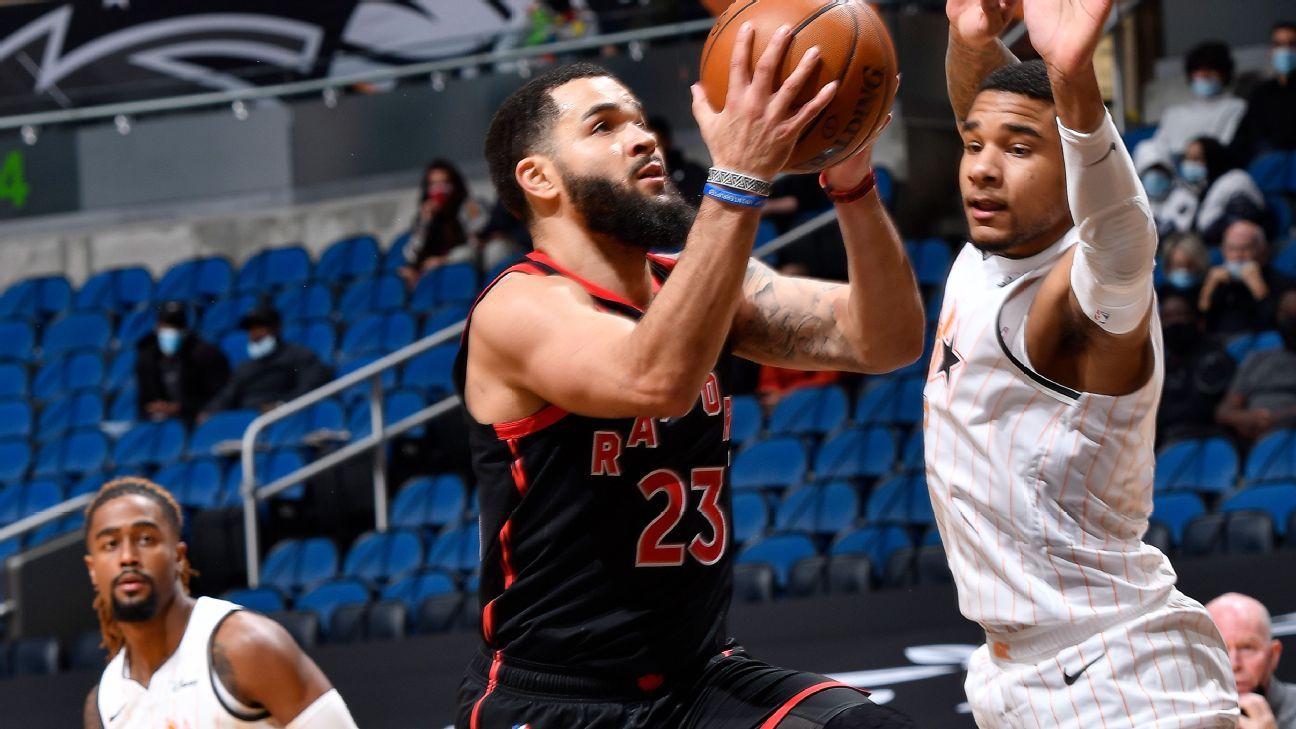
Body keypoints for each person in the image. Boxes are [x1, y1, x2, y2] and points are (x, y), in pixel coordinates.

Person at [455, 24, 924, 728]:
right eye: (604, 126)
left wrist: (851, 182)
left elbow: (886, 340)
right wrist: (737, 177)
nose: (644, 138)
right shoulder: (519, 306)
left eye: (642, 121)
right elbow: (657, 380)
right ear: (539, 176)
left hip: (698, 676)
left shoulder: (695, 287)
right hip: (557, 695)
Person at [932, 0, 1237, 726]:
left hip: (1122, 677)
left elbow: (1122, 230)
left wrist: (1075, 84)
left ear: (1070, 167)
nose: (980, 169)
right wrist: (970, 36)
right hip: (1015, 677)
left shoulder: (1081, 297)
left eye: (1016, 150)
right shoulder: (993, 247)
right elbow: (1000, 115)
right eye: (971, 145)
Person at [82, 477, 358, 728]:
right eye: (110, 544)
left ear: (179, 557)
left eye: (145, 539)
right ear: (93, 569)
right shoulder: (105, 704)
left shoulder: (248, 645)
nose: (128, 556)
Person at [201, 304, 333, 417]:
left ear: (277, 328)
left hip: (283, 419)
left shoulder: (299, 355)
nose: (255, 334)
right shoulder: (243, 367)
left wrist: (281, 405)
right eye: (251, 329)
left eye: (260, 328)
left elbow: (309, 387)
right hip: (247, 424)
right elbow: (225, 397)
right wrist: (209, 412)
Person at [1216, 287, 1296, 445]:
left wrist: (1276, 419)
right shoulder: (1256, 359)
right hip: (1250, 437)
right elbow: (1224, 411)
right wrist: (1246, 418)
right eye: (1286, 314)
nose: (1292, 319)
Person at [1206, 592, 1296, 729]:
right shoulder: (1177, 715)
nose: (1234, 664)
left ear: (1273, 655)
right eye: (1219, 649)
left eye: (1247, 648)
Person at [1158, 290, 1235, 445]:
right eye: (1167, 317)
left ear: (1199, 322)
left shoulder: (1214, 359)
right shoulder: (1163, 362)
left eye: (1180, 315)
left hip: (1204, 439)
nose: (1174, 323)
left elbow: (1201, 410)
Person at [396, 160, 489, 287]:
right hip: (432, 276)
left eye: (444, 183)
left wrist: (445, 260)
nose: (439, 190)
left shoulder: (470, 207)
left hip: (464, 272)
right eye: (434, 184)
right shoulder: (424, 217)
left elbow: (478, 244)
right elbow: (411, 257)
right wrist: (425, 223)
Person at [135, 301, 230, 424]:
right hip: (162, 423)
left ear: (185, 330)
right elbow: (144, 403)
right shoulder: (147, 358)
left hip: (196, 419)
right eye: (166, 326)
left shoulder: (206, 355)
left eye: (176, 327)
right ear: (157, 327)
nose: (170, 331)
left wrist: (180, 408)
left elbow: (221, 396)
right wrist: (154, 408)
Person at [1150, 40, 1248, 157]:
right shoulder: (1174, 113)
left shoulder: (1236, 107)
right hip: (1172, 167)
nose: (1204, 75)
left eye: (1210, 70)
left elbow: (1225, 144)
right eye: (1199, 70)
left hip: (1211, 165)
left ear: (1224, 74)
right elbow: (1158, 146)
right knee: (1145, 148)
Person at [1200, 220, 1287, 337]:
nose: (1238, 256)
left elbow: (1279, 324)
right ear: (1223, 251)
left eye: (1245, 249)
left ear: (1263, 251)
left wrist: (1259, 289)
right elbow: (1200, 322)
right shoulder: (1215, 280)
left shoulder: (1280, 282)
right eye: (1232, 249)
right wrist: (1208, 289)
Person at [1180, 136, 1269, 244]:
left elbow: (1241, 223)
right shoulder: (1202, 188)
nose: (1189, 164)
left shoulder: (1236, 181)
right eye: (1186, 158)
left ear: (1212, 158)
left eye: (1196, 159)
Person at [1231, 22, 1296, 165]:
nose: (1285, 51)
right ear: (1271, 51)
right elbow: (1243, 138)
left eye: (1291, 44)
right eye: (1279, 45)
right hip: (1266, 165)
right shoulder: (1261, 92)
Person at [647, 115, 707, 208]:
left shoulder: (693, 173)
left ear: (667, 141)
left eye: (655, 144)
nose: (650, 152)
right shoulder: (643, 177)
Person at [1159, 231, 1212, 303]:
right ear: (1168, 266)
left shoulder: (1210, 294)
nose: (1184, 271)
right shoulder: (1159, 297)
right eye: (1178, 265)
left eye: (1189, 265)